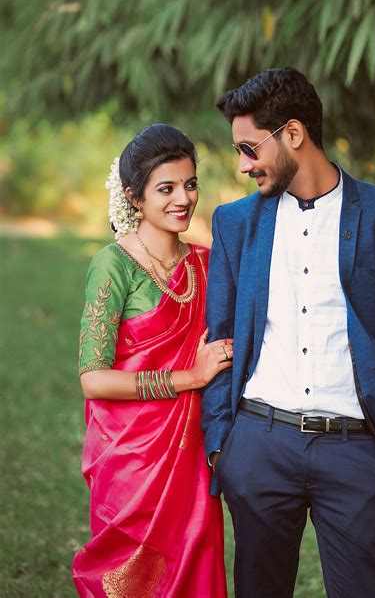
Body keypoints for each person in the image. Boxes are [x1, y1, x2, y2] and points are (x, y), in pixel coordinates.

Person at [201, 68, 375, 598]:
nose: (242, 165)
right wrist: (222, 445)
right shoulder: (235, 224)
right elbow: (219, 338)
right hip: (259, 445)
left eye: (248, 148)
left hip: (357, 452)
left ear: (292, 133)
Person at [72, 124, 232, 598]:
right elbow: (93, 379)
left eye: (190, 184)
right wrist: (191, 376)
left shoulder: (207, 263)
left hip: (191, 455)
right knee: (130, 580)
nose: (183, 198)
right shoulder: (113, 265)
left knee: (195, 558)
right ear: (134, 198)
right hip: (130, 459)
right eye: (166, 188)